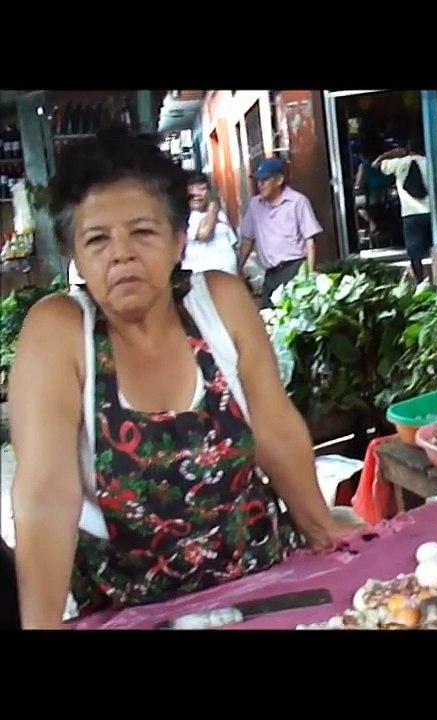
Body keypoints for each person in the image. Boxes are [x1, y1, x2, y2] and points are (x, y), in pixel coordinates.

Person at [6, 126, 354, 629]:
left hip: (264, 589)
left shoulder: (219, 303)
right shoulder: (61, 331)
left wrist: (323, 532)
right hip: (133, 611)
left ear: (177, 240)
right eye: (97, 239)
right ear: (74, 257)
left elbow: (276, 432)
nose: (121, 253)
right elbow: (44, 496)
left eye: (142, 232)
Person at [237, 157, 323, 308]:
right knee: (267, 318)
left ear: (279, 180)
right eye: (258, 181)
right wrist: (237, 269)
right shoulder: (255, 205)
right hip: (270, 274)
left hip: (294, 269)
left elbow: (310, 240)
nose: (260, 184)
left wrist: (309, 275)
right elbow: (247, 240)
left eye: (265, 180)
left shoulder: (297, 201)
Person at [374, 135, 437, 283]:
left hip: (410, 214)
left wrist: (393, 153)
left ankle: (420, 280)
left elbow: (376, 164)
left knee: (414, 252)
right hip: (432, 212)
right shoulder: (431, 163)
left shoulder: (398, 164)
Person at [182, 173, 239, 275]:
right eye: (192, 190)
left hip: (229, 279)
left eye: (202, 189)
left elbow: (232, 244)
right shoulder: (187, 218)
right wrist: (213, 207)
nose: (197, 195)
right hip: (203, 283)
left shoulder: (219, 214)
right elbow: (203, 234)